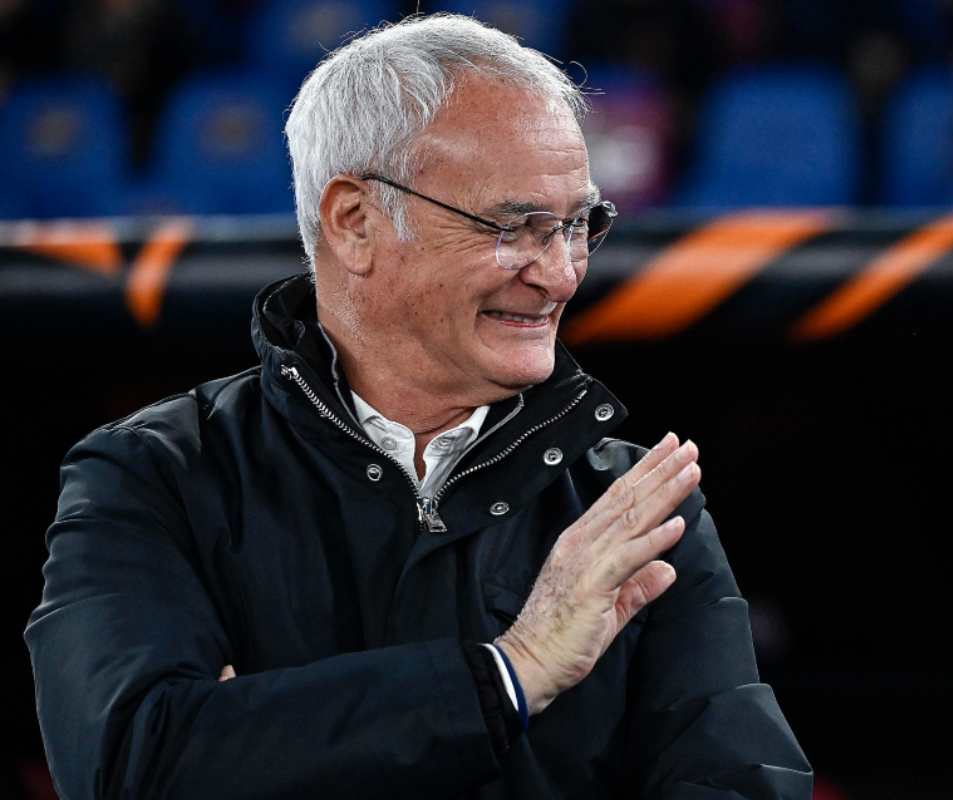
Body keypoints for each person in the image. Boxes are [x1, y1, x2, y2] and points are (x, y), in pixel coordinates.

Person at [25, 14, 812, 799]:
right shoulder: (151, 476)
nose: (561, 273)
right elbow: (134, 767)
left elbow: (745, 786)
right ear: (355, 223)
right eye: (515, 225)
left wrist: (257, 737)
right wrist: (513, 671)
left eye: (577, 225)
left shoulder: (633, 512)